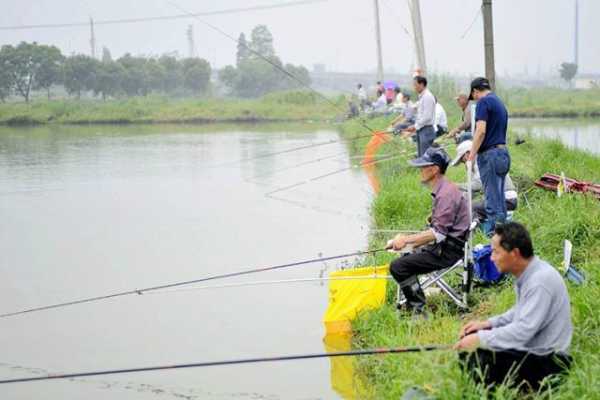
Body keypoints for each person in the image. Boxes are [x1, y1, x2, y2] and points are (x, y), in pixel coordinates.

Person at [455, 222, 573, 391]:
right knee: (474, 341)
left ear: (515, 253)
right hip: (534, 349)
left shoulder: (539, 281)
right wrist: (487, 324)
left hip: (549, 361)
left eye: (496, 252)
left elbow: (524, 330)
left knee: (479, 355)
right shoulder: (529, 273)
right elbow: (519, 312)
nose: (491, 257)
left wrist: (481, 339)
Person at [387, 147, 470, 315]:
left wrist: (405, 240)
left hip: (447, 252)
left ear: (435, 169)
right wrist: (408, 241)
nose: (420, 170)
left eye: (423, 166)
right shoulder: (445, 189)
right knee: (406, 254)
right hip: (446, 246)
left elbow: (438, 235)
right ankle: (414, 303)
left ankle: (418, 309)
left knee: (398, 266)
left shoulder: (445, 194)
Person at [467, 77, 510, 235]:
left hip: (490, 155)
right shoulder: (499, 103)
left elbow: (481, 131)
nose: (475, 99)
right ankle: (504, 232)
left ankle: (493, 236)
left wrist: (471, 156)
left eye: (474, 95)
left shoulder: (483, 103)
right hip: (503, 153)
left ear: (476, 91)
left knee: (491, 198)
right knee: (499, 197)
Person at [450, 140, 518, 222]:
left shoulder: (482, 160)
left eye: (462, 160)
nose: (463, 163)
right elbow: (471, 192)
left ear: (468, 153)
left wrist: (456, 186)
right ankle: (484, 231)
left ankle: (475, 232)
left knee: (470, 208)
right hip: (504, 199)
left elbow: (478, 185)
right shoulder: (477, 163)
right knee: (473, 208)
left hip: (505, 198)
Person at [401, 76, 436, 156]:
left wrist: (415, 126)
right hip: (421, 129)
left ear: (422, 84)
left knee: (425, 157)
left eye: (415, 85)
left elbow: (427, 117)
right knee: (421, 156)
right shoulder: (422, 97)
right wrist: (415, 126)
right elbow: (419, 114)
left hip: (426, 130)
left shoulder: (428, 97)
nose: (414, 87)